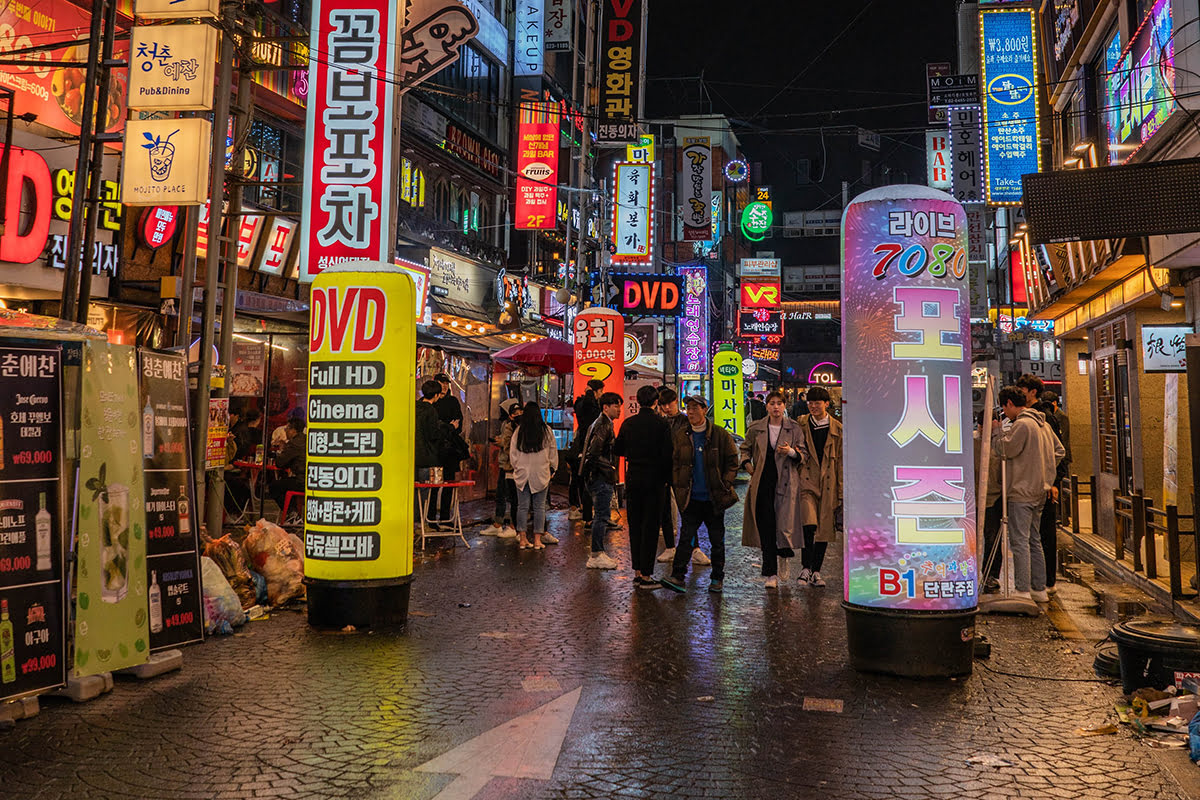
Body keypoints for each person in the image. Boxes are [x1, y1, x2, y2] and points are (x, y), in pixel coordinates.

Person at [660, 395, 740, 594]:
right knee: (686, 538)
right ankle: (678, 576)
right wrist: (678, 484)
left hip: (714, 498)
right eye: (689, 408)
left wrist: (726, 483)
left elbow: (732, 460)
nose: (692, 412)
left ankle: (716, 578)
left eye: (696, 407)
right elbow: (675, 463)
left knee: (716, 540)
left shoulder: (720, 435)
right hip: (691, 498)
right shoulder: (680, 435)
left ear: (704, 409)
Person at [993, 386, 1064, 604]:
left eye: (1005, 408)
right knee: (1034, 540)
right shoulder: (1042, 424)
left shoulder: (1022, 424)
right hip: (1040, 490)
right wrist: (1045, 471)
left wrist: (997, 432)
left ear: (1010, 404)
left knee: (1020, 541)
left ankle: (1022, 590)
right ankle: (1039, 589)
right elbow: (1060, 451)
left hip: (1022, 491)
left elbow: (1004, 449)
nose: (1005, 413)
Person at [740, 391, 806, 589]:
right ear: (767, 406)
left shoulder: (794, 428)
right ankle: (770, 572)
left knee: (784, 525)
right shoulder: (757, 428)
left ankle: (784, 554)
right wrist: (748, 467)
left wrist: (791, 452)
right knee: (766, 526)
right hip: (763, 482)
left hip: (786, 483)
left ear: (785, 405)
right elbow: (745, 449)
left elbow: (804, 454)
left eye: (779, 403)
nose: (776, 407)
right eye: (772, 403)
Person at [614, 384, 674, 589]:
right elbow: (668, 455)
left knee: (635, 525)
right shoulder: (662, 424)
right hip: (655, 479)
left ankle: (637, 571)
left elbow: (618, 448)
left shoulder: (629, 423)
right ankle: (647, 575)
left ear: (638, 401)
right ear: (656, 402)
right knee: (650, 526)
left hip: (633, 477)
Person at [1019, 375, 1068, 595]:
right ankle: (1041, 580)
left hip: (1045, 485)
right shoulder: (1032, 416)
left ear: (1032, 392)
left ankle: (1048, 581)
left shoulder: (1044, 417)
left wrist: (1054, 481)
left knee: (1044, 532)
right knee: (1037, 533)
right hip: (1038, 483)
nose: (1020, 393)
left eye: (1023, 390)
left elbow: (1058, 452)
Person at [795, 386, 843, 587]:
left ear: (826, 404)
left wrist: (841, 492)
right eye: (810, 402)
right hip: (806, 481)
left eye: (817, 402)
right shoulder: (800, 424)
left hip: (829, 483)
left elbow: (840, 462)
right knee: (809, 524)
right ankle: (805, 567)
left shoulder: (837, 429)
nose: (813, 406)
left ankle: (816, 570)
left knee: (823, 528)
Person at [580, 392, 623, 569]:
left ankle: (598, 553)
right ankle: (596, 554)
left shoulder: (600, 423)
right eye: (616, 406)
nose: (619, 409)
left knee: (601, 515)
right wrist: (610, 470)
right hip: (600, 477)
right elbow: (594, 453)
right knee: (602, 516)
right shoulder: (603, 425)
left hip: (596, 476)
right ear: (606, 407)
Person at [509, 401, 558, 550]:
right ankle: (537, 540)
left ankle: (523, 539)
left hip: (522, 474)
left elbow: (513, 453)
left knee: (522, 507)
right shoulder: (546, 431)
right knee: (539, 508)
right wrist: (552, 468)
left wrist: (517, 467)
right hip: (541, 473)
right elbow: (552, 451)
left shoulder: (519, 431)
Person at [481, 398, 521, 538]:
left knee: (507, 496)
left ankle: (509, 525)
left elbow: (508, 444)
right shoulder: (509, 424)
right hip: (507, 464)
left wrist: (501, 441)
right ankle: (502, 524)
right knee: (504, 495)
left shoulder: (510, 425)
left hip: (509, 465)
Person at [568, 379, 605, 523]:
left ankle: (577, 508)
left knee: (577, 479)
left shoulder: (579, 404)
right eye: (600, 391)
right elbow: (592, 416)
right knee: (587, 481)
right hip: (587, 446)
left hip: (578, 446)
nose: (601, 394)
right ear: (595, 391)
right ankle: (588, 515)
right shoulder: (592, 408)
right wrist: (590, 393)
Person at [433, 372, 465, 524]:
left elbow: (459, 424)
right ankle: (430, 517)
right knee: (433, 485)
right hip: (434, 451)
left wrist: (449, 428)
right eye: (441, 383)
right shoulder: (429, 402)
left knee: (449, 483)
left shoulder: (453, 401)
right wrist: (449, 427)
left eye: (446, 383)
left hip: (450, 451)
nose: (444, 386)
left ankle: (445, 517)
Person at [269, 417, 306, 515]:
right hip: (308, 479)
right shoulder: (306, 439)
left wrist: (281, 449)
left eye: (287, 429)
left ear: (293, 430)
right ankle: (293, 512)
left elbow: (280, 463)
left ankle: (291, 512)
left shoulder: (294, 444)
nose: (285, 431)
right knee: (285, 483)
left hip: (301, 481)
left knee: (274, 486)